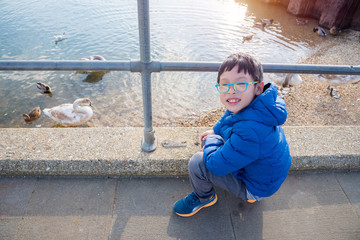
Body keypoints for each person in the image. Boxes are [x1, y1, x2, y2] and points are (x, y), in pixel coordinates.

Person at [173, 52, 292, 217]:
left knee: (197, 162)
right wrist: (215, 130)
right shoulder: (261, 106)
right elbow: (228, 116)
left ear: (258, 87)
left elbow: (216, 166)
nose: (231, 91)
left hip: (256, 188)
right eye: (224, 85)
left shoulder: (250, 130)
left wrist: (212, 139)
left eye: (240, 84)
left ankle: (204, 197)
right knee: (215, 141)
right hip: (265, 176)